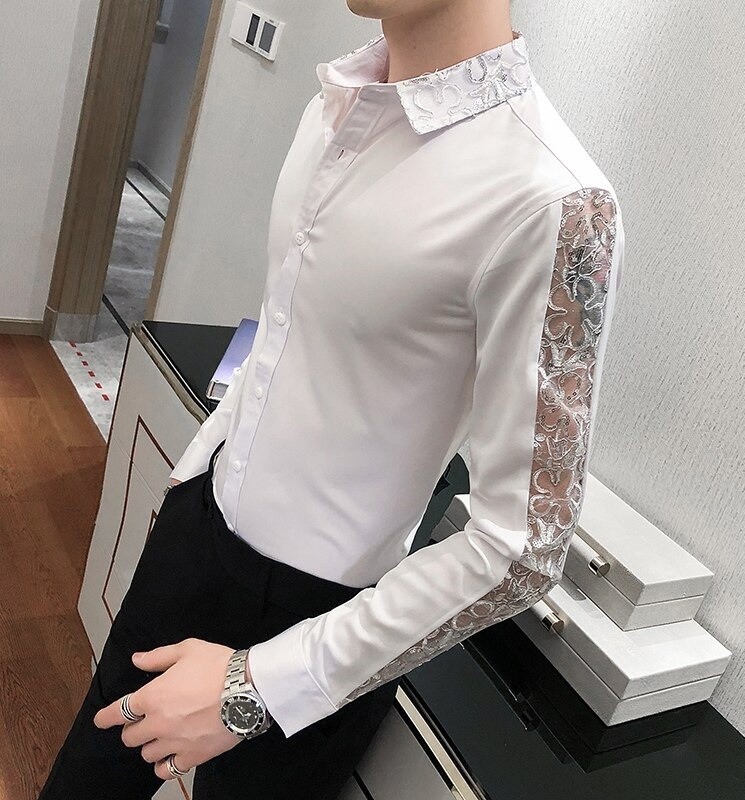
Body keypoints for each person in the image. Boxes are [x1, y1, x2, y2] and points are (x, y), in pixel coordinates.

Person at [39, 0, 625, 797]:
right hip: (199, 526)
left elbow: (525, 548)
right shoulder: (338, 104)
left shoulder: (556, 200)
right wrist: (198, 468)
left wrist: (255, 687)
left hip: (323, 616)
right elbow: (287, 325)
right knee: (83, 783)